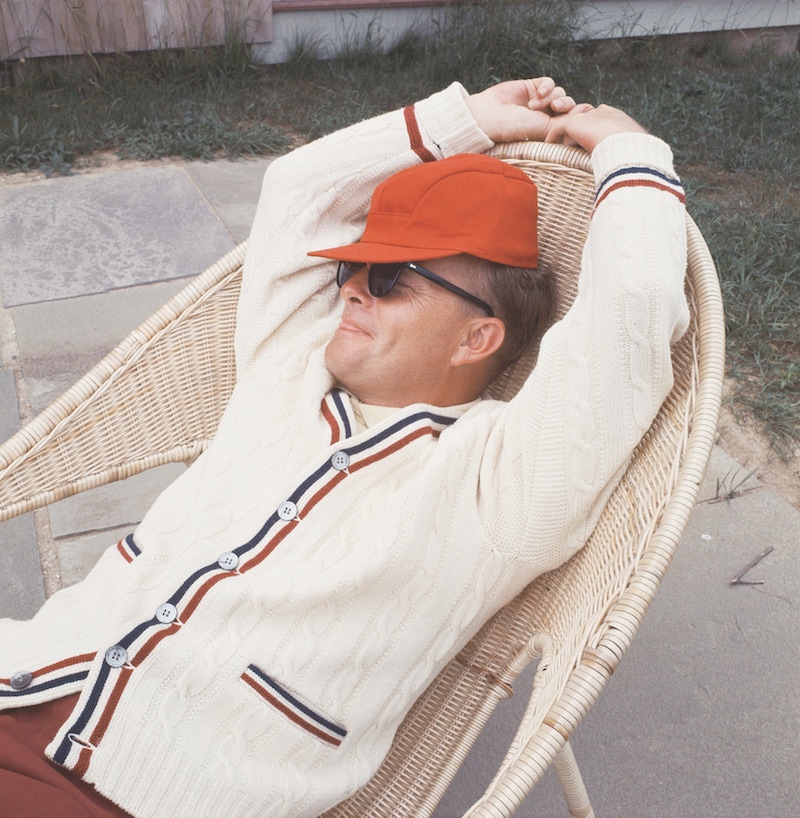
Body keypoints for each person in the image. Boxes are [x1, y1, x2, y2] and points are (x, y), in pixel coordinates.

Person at [0, 76, 689, 818]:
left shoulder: (502, 483)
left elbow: (630, 323)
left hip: (137, 793)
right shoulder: (286, 365)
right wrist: (469, 118)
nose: (354, 291)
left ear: (478, 337)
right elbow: (297, 189)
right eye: (350, 269)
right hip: (25, 674)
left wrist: (629, 150)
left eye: (392, 278)